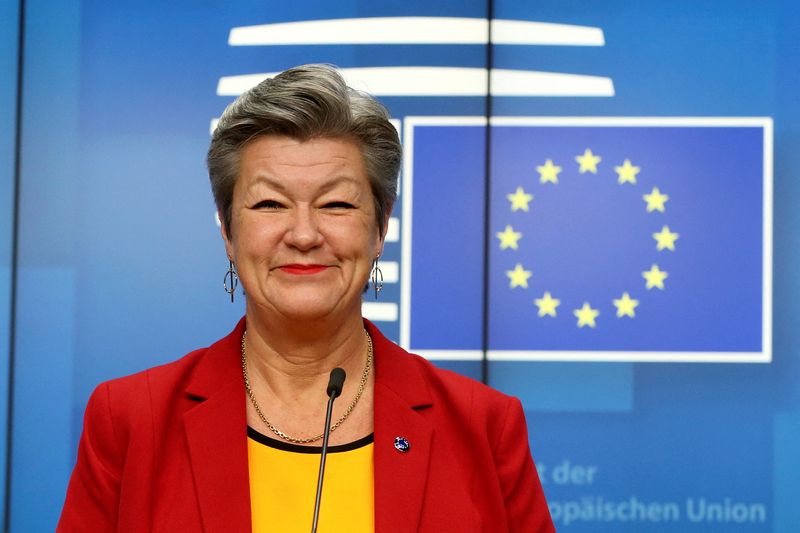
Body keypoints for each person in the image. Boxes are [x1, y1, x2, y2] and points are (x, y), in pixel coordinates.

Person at [57, 64, 554, 532]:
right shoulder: (130, 419)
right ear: (228, 230)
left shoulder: (483, 426)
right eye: (269, 203)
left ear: (380, 228)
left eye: (336, 204)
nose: (303, 234)